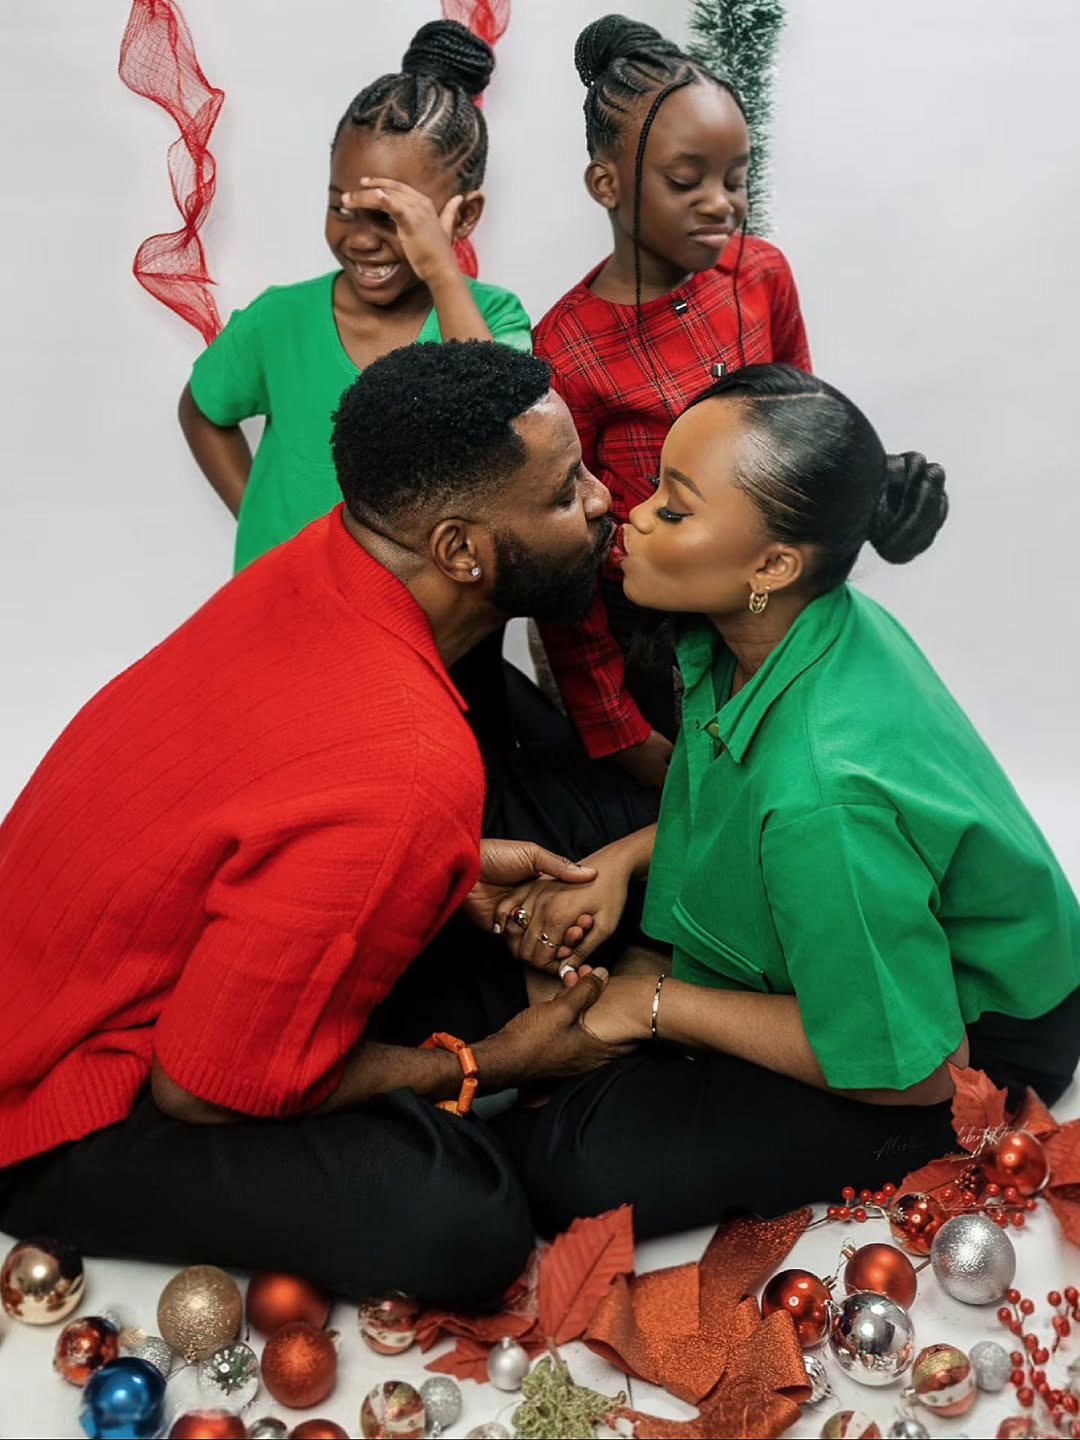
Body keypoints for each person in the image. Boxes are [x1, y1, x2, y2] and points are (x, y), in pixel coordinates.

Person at [0, 342, 636, 1306]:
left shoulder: (330, 555)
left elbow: (275, 798)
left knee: (514, 922)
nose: (601, 499)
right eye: (563, 492)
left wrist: (443, 868)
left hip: (102, 967)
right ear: (461, 550)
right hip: (58, 1101)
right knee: (471, 1226)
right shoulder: (410, 762)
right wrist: (494, 1062)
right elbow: (200, 1089)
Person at [488, 365, 1080, 1239]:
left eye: (676, 508)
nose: (632, 510)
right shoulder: (767, 629)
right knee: (536, 814)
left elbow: (919, 1067)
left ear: (771, 563)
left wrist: (656, 1004)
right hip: (851, 921)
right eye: (655, 487)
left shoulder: (826, 797)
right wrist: (622, 862)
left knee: (572, 1168)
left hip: (957, 1043)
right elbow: (737, 795)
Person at [532, 15, 811, 788]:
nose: (721, 204)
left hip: (770, 613)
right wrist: (617, 728)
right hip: (648, 642)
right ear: (608, 184)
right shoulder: (568, 346)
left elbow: (803, 430)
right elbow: (568, 562)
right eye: (686, 181)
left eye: (737, 176)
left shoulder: (760, 275)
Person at [179, 19, 531, 575]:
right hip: (288, 601)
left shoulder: (491, 318)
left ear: (462, 216)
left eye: (391, 216)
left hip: (420, 617)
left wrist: (442, 272)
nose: (362, 238)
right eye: (341, 207)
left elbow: (506, 441)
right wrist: (257, 520)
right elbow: (202, 411)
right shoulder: (280, 321)